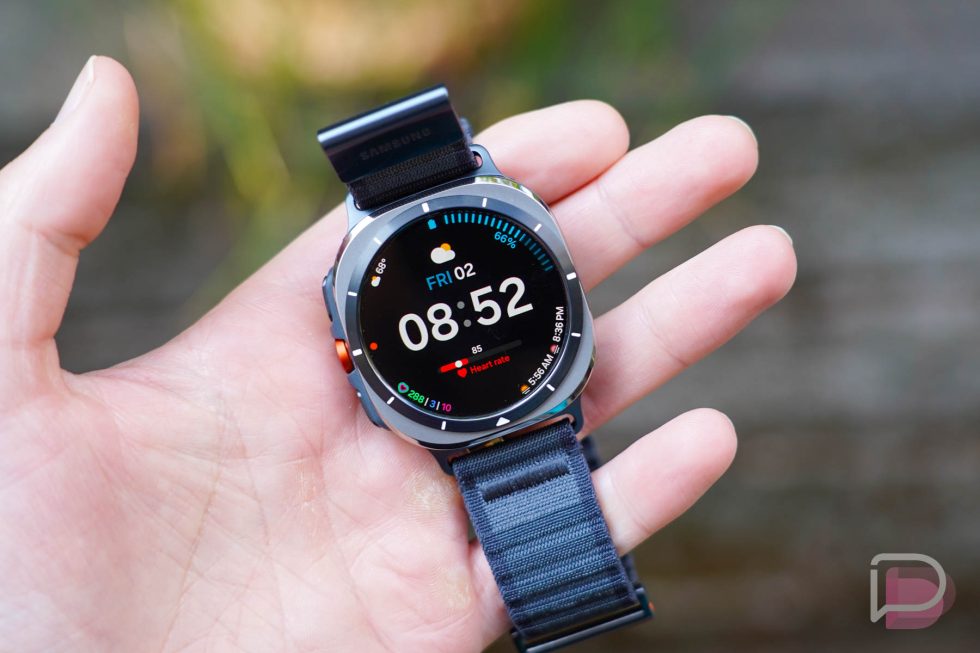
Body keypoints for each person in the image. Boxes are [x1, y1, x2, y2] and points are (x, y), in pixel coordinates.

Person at [0, 56, 796, 651]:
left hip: (534, 395)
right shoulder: (386, 277)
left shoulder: (472, 251)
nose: (464, 317)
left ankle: (572, 588)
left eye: (484, 302)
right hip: (493, 410)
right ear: (353, 353)